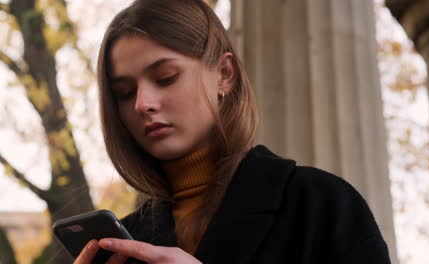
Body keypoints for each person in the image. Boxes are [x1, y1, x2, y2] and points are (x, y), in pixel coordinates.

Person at [75, 0, 391, 263]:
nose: (142, 104)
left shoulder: (322, 205)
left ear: (225, 75)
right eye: (125, 93)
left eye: (166, 77)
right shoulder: (121, 246)